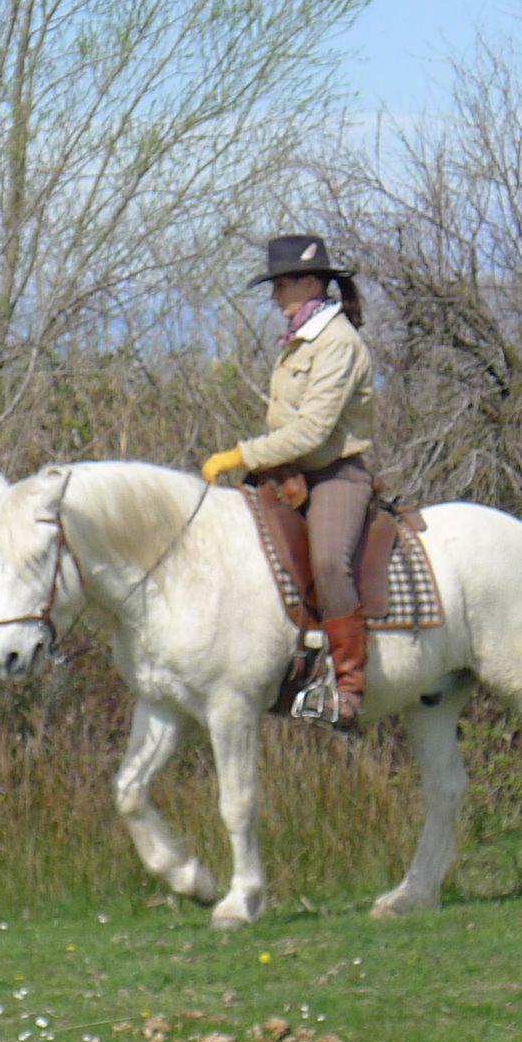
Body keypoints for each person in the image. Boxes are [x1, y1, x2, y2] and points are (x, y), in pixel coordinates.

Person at [201, 234, 375, 728]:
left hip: (336, 474)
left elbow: (314, 430)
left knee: (328, 561)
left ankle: (347, 688)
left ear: (312, 282)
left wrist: (242, 454)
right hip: (292, 472)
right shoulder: (300, 338)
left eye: (283, 285)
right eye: (275, 285)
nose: (276, 296)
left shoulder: (338, 342)